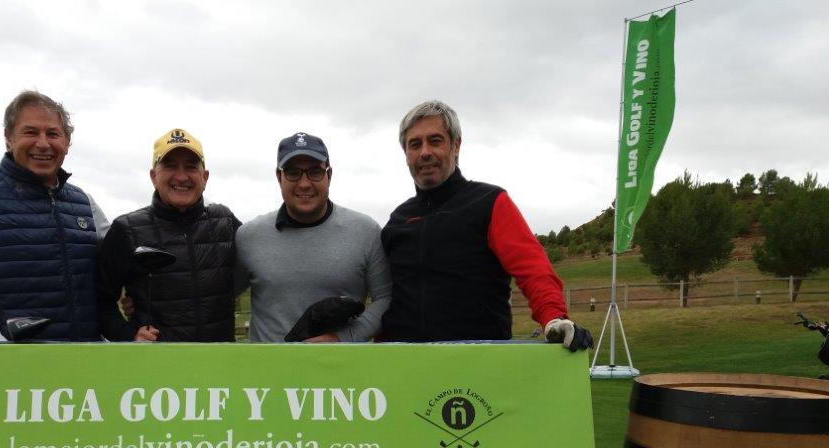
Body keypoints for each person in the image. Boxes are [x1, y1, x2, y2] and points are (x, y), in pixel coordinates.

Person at [380, 100, 592, 349]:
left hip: (480, 360)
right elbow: (384, 297)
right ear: (406, 154)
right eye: (415, 144)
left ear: (456, 145)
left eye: (435, 141)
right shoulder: (397, 221)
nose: (425, 152)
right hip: (404, 361)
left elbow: (533, 269)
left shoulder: (489, 202)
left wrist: (553, 316)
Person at [0, 90, 109, 342]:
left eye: (53, 134)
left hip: (86, 359)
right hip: (13, 361)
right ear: (9, 138)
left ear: (67, 142)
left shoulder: (84, 202)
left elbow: (120, 263)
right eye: (31, 132)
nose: (43, 143)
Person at [235, 132, 390, 342]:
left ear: (329, 175)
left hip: (341, 363)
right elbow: (217, 299)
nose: (304, 183)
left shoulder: (367, 232)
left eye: (315, 172)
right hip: (265, 364)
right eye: (293, 173)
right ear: (279, 177)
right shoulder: (248, 237)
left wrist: (342, 338)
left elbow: (385, 299)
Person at [97, 128, 239, 342]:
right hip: (156, 360)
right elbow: (100, 301)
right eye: (170, 166)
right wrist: (128, 335)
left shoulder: (225, 222)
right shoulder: (126, 230)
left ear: (205, 177)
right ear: (154, 176)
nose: (181, 176)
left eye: (191, 166)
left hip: (220, 358)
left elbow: (262, 273)